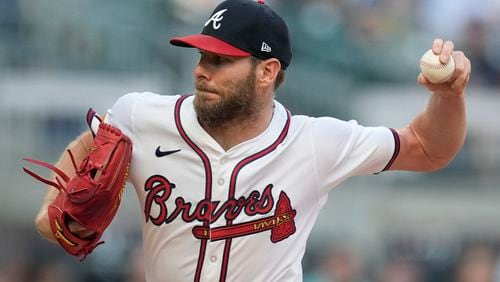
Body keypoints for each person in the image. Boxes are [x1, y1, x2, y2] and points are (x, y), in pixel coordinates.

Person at [33, 0, 471, 281]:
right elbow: (93, 140)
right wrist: (50, 206)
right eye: (202, 56)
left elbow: (428, 148)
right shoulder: (141, 115)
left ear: (266, 71)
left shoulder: (314, 142)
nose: (202, 69)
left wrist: (448, 97)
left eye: (221, 60)